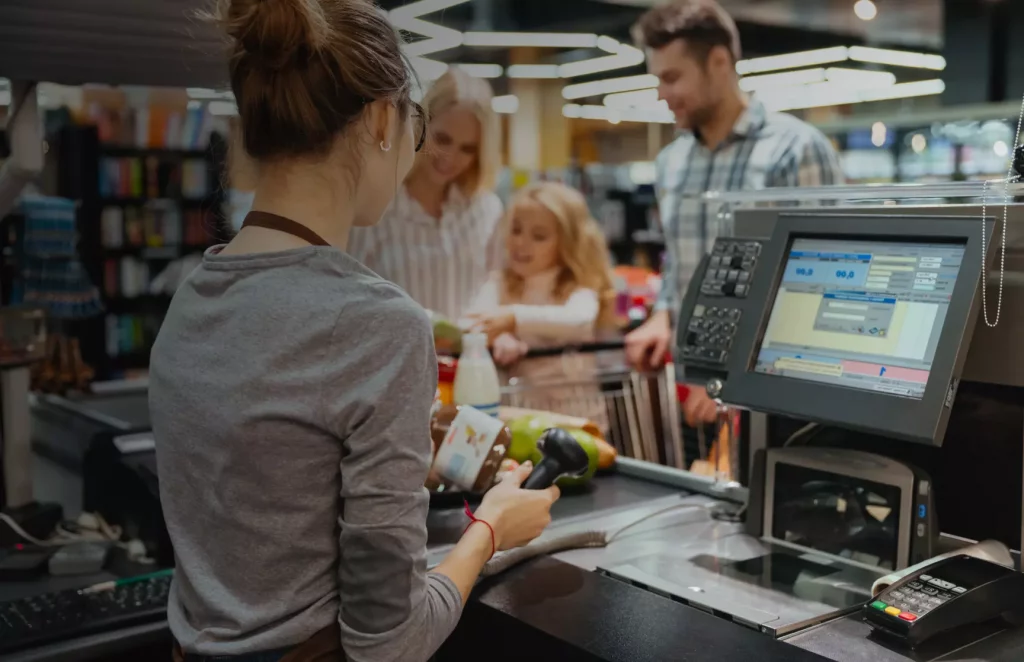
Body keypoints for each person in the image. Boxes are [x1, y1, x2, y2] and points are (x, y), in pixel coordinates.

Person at [149, 1, 558, 661]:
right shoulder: (380, 324)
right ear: (379, 120)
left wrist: (388, 456)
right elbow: (388, 642)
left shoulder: (192, 296)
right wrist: (490, 529)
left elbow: (266, 490)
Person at [624, 0, 845, 426]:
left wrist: (738, 376)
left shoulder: (795, 149)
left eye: (672, 77)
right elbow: (680, 262)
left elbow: (823, 279)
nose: (661, 94)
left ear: (719, 61)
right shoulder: (672, 162)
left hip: (778, 393)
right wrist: (663, 315)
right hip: (693, 388)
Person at [348, 68, 504, 323]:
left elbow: (497, 280)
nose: (450, 158)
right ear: (420, 124)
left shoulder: (487, 209)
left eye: (467, 149)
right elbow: (349, 293)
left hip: (468, 359)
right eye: (442, 139)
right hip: (394, 357)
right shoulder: (376, 206)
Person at [465, 182, 616, 430]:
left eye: (539, 236)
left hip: (579, 420)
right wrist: (497, 337)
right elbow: (469, 323)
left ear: (568, 242)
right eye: (516, 230)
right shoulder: (500, 282)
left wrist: (512, 318)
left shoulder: (578, 285)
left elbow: (579, 320)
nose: (521, 243)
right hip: (518, 422)